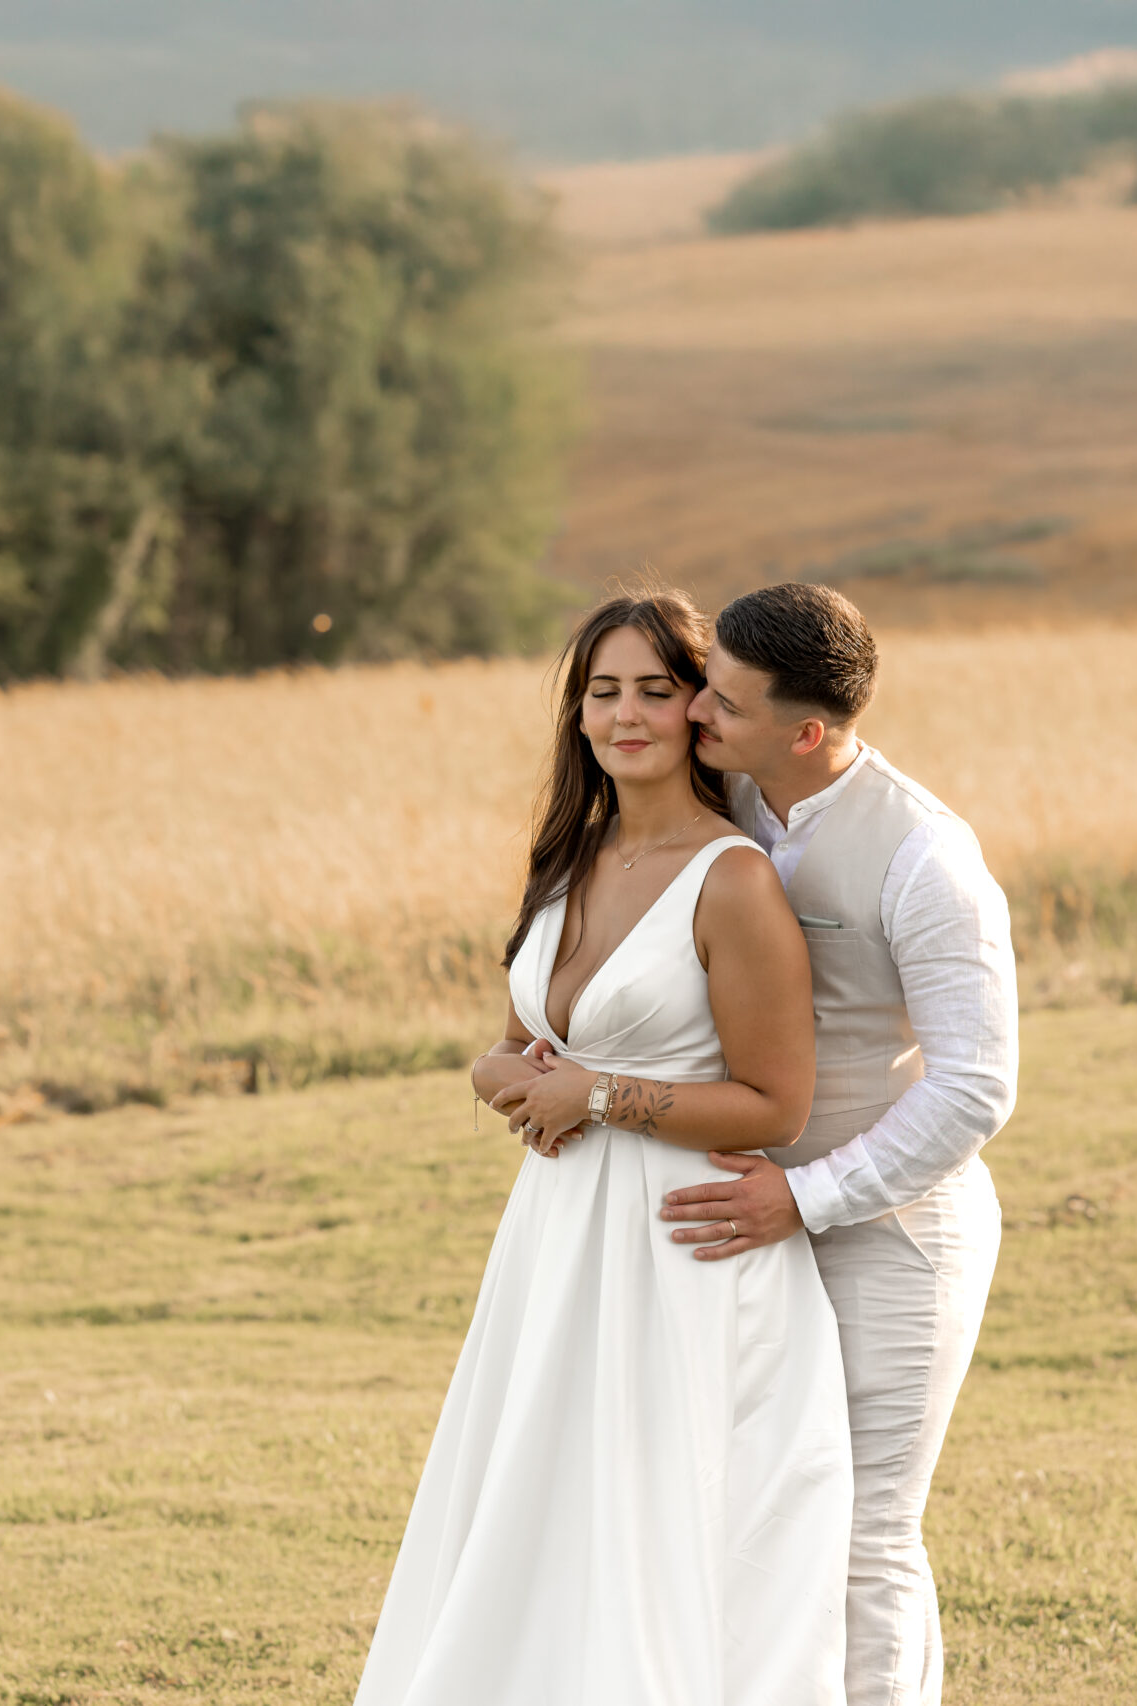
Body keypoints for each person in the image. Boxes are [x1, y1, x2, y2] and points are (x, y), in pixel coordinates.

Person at [353, 590, 852, 1706]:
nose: (625, 713)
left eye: (654, 689)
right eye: (601, 690)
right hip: (557, 1239)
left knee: (644, 1523)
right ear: (577, 714)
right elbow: (513, 1046)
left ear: (700, 712)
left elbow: (774, 1100)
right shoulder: (570, 857)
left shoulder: (732, 877)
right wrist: (503, 1077)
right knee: (537, 1505)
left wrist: (600, 1094)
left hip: (679, 1248)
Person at [659, 582, 1019, 1706]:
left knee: (864, 1523)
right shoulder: (721, 795)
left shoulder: (925, 855)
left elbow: (975, 1087)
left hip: (894, 1236)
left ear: (805, 731)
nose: (692, 711)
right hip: (746, 1216)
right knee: (754, 1507)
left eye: (721, 699)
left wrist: (806, 1198)